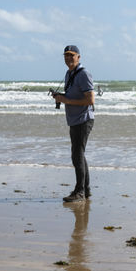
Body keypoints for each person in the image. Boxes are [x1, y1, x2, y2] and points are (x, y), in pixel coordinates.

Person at [51, 44, 94, 202]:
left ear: (78, 57)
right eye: (66, 55)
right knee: (79, 154)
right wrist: (60, 96)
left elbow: (90, 100)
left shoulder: (83, 74)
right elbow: (73, 95)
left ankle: (79, 192)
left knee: (77, 155)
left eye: (72, 55)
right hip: (74, 119)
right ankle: (85, 190)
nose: (69, 58)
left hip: (83, 119)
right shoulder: (69, 73)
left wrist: (66, 100)